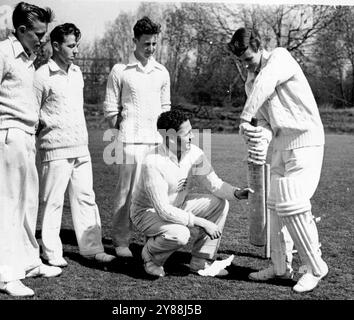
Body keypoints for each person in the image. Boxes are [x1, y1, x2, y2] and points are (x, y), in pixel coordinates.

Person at [228, 27, 328, 293]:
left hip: (306, 142)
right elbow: (265, 122)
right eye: (241, 61)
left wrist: (243, 118)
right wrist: (258, 136)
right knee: (274, 205)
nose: (246, 65)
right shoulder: (250, 82)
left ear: (260, 47)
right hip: (281, 148)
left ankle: (315, 267)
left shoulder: (280, 58)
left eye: (248, 58)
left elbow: (266, 83)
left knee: (292, 203)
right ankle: (280, 267)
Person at [0, 2, 60, 297]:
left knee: (27, 205)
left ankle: (28, 262)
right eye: (38, 33)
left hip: (25, 137)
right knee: (6, 207)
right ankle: (6, 276)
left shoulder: (26, 58)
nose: (42, 39)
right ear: (21, 30)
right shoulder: (0, 53)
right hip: (5, 137)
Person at [130, 110, 252, 277]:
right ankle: (150, 256)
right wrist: (201, 222)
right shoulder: (152, 162)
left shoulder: (194, 153)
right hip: (147, 213)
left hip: (176, 206)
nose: (192, 136)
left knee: (219, 203)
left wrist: (236, 193)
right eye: (187, 133)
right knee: (180, 234)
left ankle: (200, 261)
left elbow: (214, 184)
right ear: (171, 137)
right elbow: (163, 210)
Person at [34, 23, 116, 267]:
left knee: (86, 198)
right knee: (53, 201)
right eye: (71, 45)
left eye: (77, 45)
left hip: (81, 148)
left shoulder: (77, 73)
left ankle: (92, 249)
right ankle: (51, 252)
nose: (76, 50)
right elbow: (32, 112)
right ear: (56, 46)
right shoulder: (41, 75)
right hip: (55, 150)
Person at [103, 16, 171, 258]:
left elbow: (166, 109)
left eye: (154, 44)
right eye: (146, 44)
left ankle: (151, 239)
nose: (151, 49)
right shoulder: (120, 71)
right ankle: (121, 241)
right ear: (135, 41)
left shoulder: (162, 72)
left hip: (155, 144)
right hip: (129, 143)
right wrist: (124, 132)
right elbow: (111, 109)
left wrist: (165, 140)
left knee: (154, 193)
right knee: (126, 194)